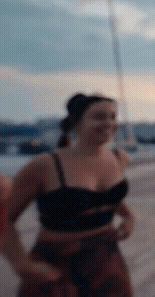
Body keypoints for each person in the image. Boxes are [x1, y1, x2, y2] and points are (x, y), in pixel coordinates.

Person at [3, 93, 133, 296]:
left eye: (113, 117)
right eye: (99, 117)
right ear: (77, 123)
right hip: (57, 266)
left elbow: (109, 198)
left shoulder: (119, 158)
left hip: (107, 260)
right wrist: (22, 264)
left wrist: (128, 216)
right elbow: (4, 217)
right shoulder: (46, 166)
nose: (109, 123)